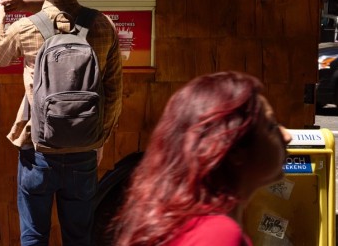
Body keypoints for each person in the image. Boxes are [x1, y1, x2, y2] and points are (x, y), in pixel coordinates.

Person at [0, 0, 123, 246]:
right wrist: (99, 139)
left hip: (38, 149)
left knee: (34, 235)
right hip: (85, 150)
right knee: (79, 237)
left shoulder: (25, 29)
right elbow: (114, 93)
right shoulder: (103, 25)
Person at [112, 71, 292, 246]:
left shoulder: (188, 223)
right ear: (234, 149)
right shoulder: (218, 234)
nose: (287, 136)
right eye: (271, 126)